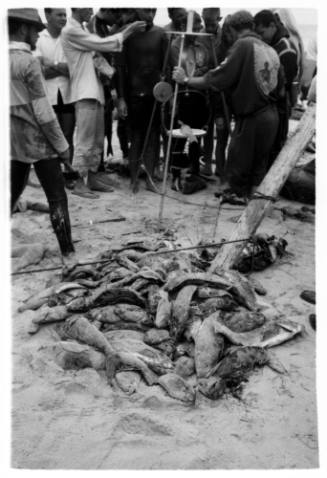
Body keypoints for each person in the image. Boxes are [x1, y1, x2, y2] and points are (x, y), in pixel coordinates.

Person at [173, 10, 281, 203]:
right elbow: (280, 88)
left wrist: (187, 79)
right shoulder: (268, 48)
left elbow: (217, 77)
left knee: (239, 163)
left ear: (231, 30)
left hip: (253, 117)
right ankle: (256, 203)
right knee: (259, 166)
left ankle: (241, 203)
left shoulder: (243, 45)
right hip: (271, 116)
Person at [9, 8, 75, 256]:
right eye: (36, 31)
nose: (38, 36)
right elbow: (44, 114)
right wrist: (63, 147)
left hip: (14, 143)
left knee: (11, 194)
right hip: (38, 142)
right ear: (24, 29)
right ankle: (68, 253)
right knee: (57, 198)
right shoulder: (29, 62)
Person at [61, 8, 146, 199]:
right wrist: (127, 31)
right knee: (84, 140)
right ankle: (79, 182)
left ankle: (91, 177)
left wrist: (112, 79)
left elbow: (97, 58)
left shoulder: (81, 30)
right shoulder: (70, 31)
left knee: (96, 139)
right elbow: (102, 44)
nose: (91, 10)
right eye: (87, 7)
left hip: (95, 89)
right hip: (84, 92)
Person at [117, 8, 169, 192]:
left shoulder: (161, 34)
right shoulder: (128, 34)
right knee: (136, 137)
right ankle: (133, 179)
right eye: (146, 10)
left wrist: (165, 91)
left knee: (154, 137)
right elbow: (121, 69)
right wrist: (121, 98)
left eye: (153, 11)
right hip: (134, 95)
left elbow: (166, 67)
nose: (150, 15)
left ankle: (149, 177)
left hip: (154, 95)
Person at [35, 8, 76, 188]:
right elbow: (41, 71)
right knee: (50, 136)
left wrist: (52, 64)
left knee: (68, 135)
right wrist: (61, 67)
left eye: (64, 14)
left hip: (68, 93)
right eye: (59, 15)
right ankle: (54, 175)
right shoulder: (38, 38)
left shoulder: (69, 37)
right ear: (48, 16)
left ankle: (69, 173)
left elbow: (72, 69)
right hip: (48, 95)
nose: (63, 18)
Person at [254, 9, 298, 164]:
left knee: (275, 147)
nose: (260, 38)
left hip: (279, 107)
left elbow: (283, 87)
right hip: (269, 105)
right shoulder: (273, 44)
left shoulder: (286, 49)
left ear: (272, 26)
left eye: (262, 32)